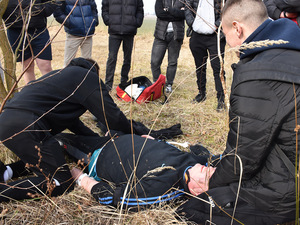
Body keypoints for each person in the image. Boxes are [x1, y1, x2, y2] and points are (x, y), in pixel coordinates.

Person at [177, 0, 300, 224]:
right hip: (290, 160)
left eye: (225, 35)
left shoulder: (256, 73)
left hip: (288, 186)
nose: (228, 43)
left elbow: (242, 159)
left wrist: (211, 183)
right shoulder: (291, 50)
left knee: (193, 208)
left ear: (237, 28)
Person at [0, 58, 182, 202]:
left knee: (47, 160)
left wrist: (97, 141)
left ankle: (6, 171)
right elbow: (112, 116)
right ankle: (4, 192)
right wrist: (132, 132)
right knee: (61, 181)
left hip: (8, 123)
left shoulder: (59, 78)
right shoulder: (86, 77)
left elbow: (74, 124)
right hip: (28, 126)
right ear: (95, 72)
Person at [62, 133, 216, 208]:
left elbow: (111, 198)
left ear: (197, 191)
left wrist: (81, 178)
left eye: (209, 178)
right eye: (214, 170)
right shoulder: (200, 162)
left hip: (98, 156)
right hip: (120, 138)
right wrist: (155, 142)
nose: (210, 170)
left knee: (56, 139)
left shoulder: (164, 188)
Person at [184, 0, 226, 111]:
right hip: (197, 35)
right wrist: (193, 23)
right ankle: (201, 94)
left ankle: (221, 99)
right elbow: (187, 7)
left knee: (218, 68)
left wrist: (217, 25)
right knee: (200, 67)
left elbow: (227, 9)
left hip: (216, 36)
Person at [2, 0, 55, 84]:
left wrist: (39, 10)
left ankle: (51, 93)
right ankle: (32, 93)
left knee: (45, 65)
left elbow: (51, 3)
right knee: (27, 67)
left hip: (38, 29)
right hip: (15, 30)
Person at [101, 0, 144, 91]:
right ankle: (108, 84)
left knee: (127, 58)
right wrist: (108, 20)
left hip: (129, 31)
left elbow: (140, 9)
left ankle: (124, 82)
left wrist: (137, 22)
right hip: (114, 31)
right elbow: (104, 7)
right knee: (112, 57)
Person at [150, 0, 185, 94]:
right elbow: (159, 13)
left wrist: (168, 10)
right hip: (160, 35)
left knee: (172, 62)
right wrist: (176, 13)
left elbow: (184, 14)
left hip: (176, 35)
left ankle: (169, 84)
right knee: (155, 61)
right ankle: (157, 83)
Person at [54, 0, 99, 67]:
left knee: (87, 63)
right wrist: (70, 23)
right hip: (73, 34)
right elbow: (57, 12)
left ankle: (85, 77)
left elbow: (94, 9)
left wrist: (93, 22)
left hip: (88, 34)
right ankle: (68, 77)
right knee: (68, 63)